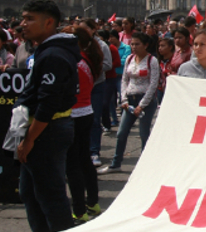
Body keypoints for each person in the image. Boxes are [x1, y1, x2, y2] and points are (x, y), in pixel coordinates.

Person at [15, 0, 80, 231]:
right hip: (39, 129)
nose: (23, 24)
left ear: (49, 22)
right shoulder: (45, 50)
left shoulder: (54, 55)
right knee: (30, 193)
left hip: (47, 130)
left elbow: (48, 102)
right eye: (23, 18)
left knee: (51, 196)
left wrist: (30, 139)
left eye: (30, 19)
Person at [98, 33, 160, 174]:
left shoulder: (152, 61)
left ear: (146, 45)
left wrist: (142, 105)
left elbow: (153, 84)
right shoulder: (130, 59)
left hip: (146, 101)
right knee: (121, 133)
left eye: (137, 44)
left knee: (144, 134)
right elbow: (125, 80)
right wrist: (124, 100)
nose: (134, 47)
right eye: (132, 44)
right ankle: (116, 164)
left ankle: (147, 165)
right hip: (130, 101)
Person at [62, 26, 101, 224]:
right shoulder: (86, 60)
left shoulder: (74, 62)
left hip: (73, 114)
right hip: (86, 110)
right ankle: (93, 202)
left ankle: (79, 209)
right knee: (85, 160)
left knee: (73, 165)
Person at [78, 20, 110, 169]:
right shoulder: (77, 46)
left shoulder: (101, 46)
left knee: (95, 119)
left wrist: (90, 68)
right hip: (80, 87)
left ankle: (94, 151)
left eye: (85, 30)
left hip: (96, 85)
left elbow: (108, 64)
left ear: (93, 30)